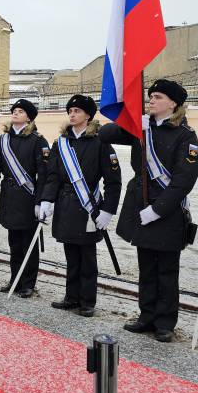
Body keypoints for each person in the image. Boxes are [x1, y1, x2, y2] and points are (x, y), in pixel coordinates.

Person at [99, 79, 198, 343]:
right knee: (146, 267)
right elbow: (105, 134)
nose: (151, 100)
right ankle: (146, 316)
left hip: (166, 210)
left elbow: (184, 179)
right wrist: (133, 124)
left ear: (173, 103)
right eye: (150, 96)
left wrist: (158, 210)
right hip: (140, 203)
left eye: (157, 97)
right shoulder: (142, 129)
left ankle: (165, 323)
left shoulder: (185, 135)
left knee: (166, 270)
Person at [41, 95, 121, 316]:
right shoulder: (61, 143)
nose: (72, 114)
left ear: (88, 115)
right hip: (66, 204)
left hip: (89, 207)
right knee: (70, 255)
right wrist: (47, 199)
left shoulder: (100, 142)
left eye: (77, 110)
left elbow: (113, 181)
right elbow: (53, 176)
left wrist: (108, 210)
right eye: (70, 111)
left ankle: (87, 301)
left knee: (87, 256)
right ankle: (71, 297)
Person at [0, 99, 49, 298]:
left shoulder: (38, 141)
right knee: (14, 242)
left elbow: (44, 174)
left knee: (28, 242)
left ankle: (28, 283)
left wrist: (40, 201)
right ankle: (15, 278)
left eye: (20, 111)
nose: (16, 113)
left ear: (29, 117)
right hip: (10, 197)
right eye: (14, 110)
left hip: (28, 198)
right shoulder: (2, 140)